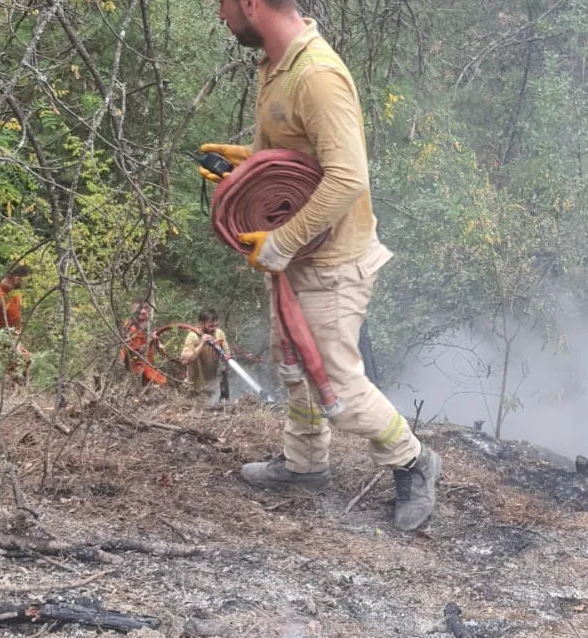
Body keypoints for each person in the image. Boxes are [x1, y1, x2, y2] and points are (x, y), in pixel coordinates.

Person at [202, 0, 440, 531]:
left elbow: (347, 178)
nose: (220, 15)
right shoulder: (275, 64)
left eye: (221, 4)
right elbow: (300, 156)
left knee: (338, 384)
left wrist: (283, 242)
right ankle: (305, 463)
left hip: (332, 261)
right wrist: (250, 163)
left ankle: (414, 461)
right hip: (299, 256)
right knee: (291, 365)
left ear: (250, 3)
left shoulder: (316, 75)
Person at [179, 308, 231, 402]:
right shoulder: (193, 337)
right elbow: (184, 360)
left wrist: (225, 358)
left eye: (216, 325)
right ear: (201, 324)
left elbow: (227, 355)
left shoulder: (219, 333)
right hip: (196, 390)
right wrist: (201, 344)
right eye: (211, 326)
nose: (214, 329)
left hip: (214, 390)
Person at [120, 300, 167, 386]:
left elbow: (160, 350)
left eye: (146, 308)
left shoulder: (149, 324)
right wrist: (149, 340)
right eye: (140, 308)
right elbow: (135, 354)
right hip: (135, 365)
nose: (143, 311)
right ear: (133, 310)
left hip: (148, 364)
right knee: (161, 382)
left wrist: (159, 343)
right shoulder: (130, 326)